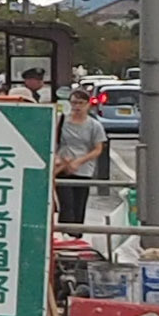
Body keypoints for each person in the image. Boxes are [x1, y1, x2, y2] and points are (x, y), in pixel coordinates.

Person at [57, 85, 106, 241]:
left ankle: (76, 237)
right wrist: (63, 160)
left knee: (79, 205)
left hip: (83, 169)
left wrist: (80, 161)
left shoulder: (94, 125)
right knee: (66, 204)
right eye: (74, 102)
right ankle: (65, 236)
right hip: (63, 167)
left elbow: (98, 148)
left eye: (80, 103)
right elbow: (54, 141)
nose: (76, 106)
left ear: (87, 104)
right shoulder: (62, 120)